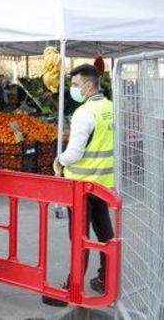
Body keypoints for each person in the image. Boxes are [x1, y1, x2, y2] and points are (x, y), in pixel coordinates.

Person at [43, 64, 116, 307]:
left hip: (82, 186)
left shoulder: (85, 112)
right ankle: (106, 279)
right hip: (104, 184)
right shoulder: (111, 108)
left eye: (75, 84)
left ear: (87, 84)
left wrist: (59, 160)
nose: (73, 89)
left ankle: (72, 285)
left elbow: (74, 153)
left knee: (79, 236)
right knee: (105, 233)